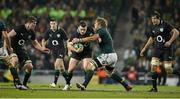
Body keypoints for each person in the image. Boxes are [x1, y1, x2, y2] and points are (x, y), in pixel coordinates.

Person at [72, 17, 132, 91]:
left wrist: (79, 40)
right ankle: (126, 86)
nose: (94, 24)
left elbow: (92, 38)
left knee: (90, 66)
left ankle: (84, 85)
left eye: (95, 23)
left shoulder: (102, 30)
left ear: (99, 24)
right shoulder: (104, 31)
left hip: (107, 55)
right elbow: (98, 39)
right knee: (110, 73)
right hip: (113, 56)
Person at [140, 11, 179, 92]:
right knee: (153, 67)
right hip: (157, 49)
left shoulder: (165, 24)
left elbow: (176, 32)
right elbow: (151, 39)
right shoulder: (153, 27)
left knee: (168, 69)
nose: (153, 20)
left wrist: (170, 42)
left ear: (159, 18)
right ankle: (154, 88)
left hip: (166, 50)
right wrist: (144, 48)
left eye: (154, 19)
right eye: (152, 19)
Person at [8, 16, 50, 90]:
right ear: (29, 23)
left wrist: (42, 49)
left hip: (20, 49)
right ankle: (17, 82)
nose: (35, 25)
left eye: (35, 24)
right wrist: (8, 47)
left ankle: (24, 84)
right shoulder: (19, 28)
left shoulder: (31, 32)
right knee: (14, 61)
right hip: (12, 48)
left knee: (30, 67)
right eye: (33, 23)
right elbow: (8, 36)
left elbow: (35, 43)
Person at [63, 20, 94, 90]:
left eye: (84, 29)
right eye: (81, 29)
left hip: (87, 52)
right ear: (78, 28)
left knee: (86, 67)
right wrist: (74, 50)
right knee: (70, 69)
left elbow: (94, 37)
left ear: (87, 27)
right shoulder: (75, 34)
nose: (83, 31)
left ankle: (84, 85)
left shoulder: (90, 30)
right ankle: (67, 84)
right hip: (76, 52)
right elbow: (69, 44)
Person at [41, 18, 68, 87]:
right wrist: (43, 46)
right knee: (61, 68)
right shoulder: (48, 31)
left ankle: (54, 83)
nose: (52, 25)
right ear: (49, 24)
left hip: (61, 50)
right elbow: (43, 39)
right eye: (51, 24)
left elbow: (67, 40)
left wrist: (69, 50)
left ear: (56, 24)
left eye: (54, 23)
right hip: (54, 51)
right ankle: (68, 83)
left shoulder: (61, 31)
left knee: (56, 65)